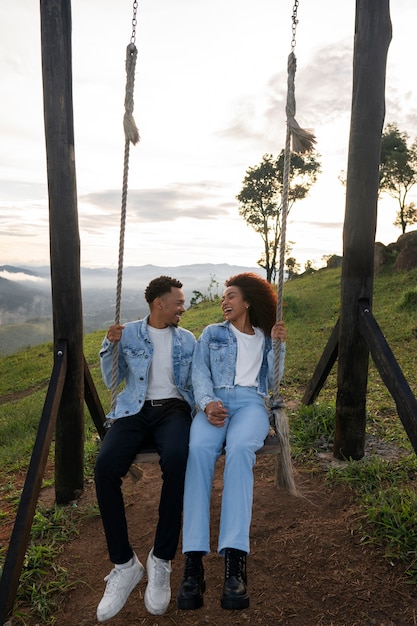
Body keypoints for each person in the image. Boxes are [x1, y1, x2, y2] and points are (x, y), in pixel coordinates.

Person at [176, 272, 287, 611]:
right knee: (197, 452)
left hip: (251, 403)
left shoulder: (266, 337)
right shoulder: (211, 333)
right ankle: (193, 563)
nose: (225, 301)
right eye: (223, 297)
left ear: (248, 302)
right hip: (214, 403)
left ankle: (234, 564)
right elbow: (199, 372)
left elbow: (273, 380)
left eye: (232, 296)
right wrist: (207, 402)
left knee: (240, 451)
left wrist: (280, 345)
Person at [94, 276, 196, 621]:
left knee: (179, 459)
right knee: (105, 467)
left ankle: (161, 558)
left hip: (173, 410)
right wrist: (109, 346)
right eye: (179, 302)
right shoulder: (131, 333)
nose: (184, 308)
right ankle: (124, 565)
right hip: (134, 409)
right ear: (159, 305)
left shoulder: (187, 339)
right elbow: (111, 380)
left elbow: (197, 381)